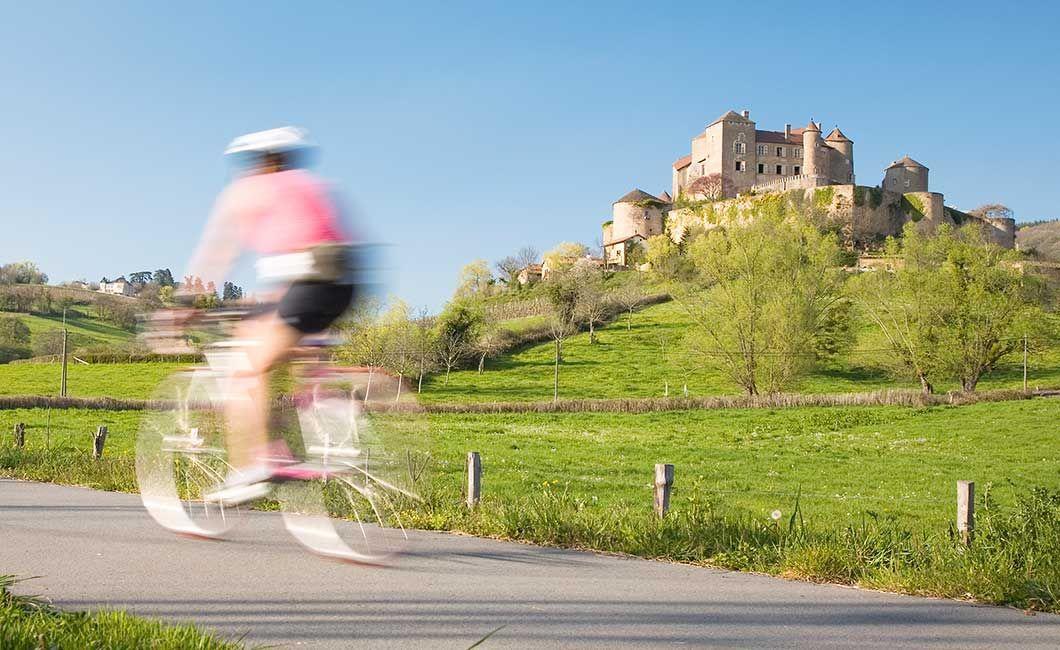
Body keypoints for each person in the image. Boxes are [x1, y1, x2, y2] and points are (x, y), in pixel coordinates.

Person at [176, 126, 356, 505]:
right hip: (343, 280)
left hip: (306, 282)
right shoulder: (314, 185)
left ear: (258, 162)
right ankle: (337, 431)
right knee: (295, 349)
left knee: (246, 367)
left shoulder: (248, 190)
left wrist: (186, 304)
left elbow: (220, 252)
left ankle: (256, 464)